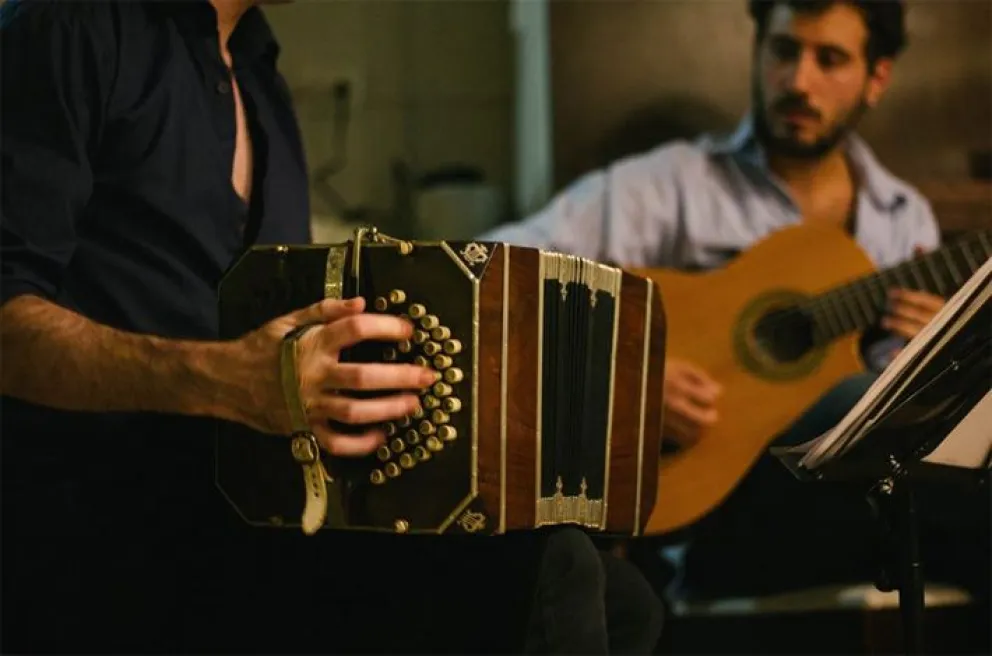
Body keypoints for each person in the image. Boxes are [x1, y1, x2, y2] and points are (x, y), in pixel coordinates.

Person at [0, 0, 663, 653]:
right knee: (552, 572)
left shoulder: (259, 76)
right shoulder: (66, 28)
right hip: (102, 527)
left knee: (621, 594)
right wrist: (222, 379)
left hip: (248, 516)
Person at [480, 0, 990, 609]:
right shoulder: (672, 185)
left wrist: (925, 369)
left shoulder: (905, 218)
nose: (798, 81)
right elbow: (492, 273)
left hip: (864, 514)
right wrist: (622, 379)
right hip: (713, 522)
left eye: (829, 59)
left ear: (876, 78)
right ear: (758, 50)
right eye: (783, 51)